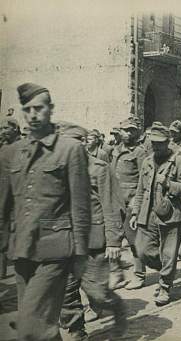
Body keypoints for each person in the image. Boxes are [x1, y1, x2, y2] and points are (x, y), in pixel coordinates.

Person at [0, 83, 91, 341]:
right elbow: (3, 205)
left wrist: (81, 253)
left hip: (56, 251)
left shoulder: (70, 150)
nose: (33, 115)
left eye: (39, 108)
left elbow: (80, 205)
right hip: (21, 249)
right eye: (27, 109)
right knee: (43, 326)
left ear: (50, 110)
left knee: (30, 325)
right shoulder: (9, 153)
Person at [58, 123, 127, 339]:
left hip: (94, 242)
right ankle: (78, 332)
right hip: (66, 240)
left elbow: (111, 205)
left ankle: (117, 308)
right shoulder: (58, 169)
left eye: (75, 143)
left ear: (83, 144)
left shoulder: (99, 168)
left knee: (97, 293)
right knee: (66, 292)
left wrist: (114, 242)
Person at [132, 122, 181, 306]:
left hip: (171, 214)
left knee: (169, 252)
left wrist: (168, 184)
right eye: (153, 142)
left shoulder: (179, 161)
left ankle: (165, 286)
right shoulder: (147, 161)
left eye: (160, 143)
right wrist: (135, 213)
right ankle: (167, 267)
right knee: (142, 250)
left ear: (168, 142)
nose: (156, 146)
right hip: (148, 213)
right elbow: (141, 189)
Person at [110, 118, 148, 290]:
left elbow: (144, 178)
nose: (129, 133)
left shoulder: (140, 152)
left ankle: (139, 274)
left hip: (132, 200)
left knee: (133, 239)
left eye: (132, 130)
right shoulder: (115, 150)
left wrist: (136, 202)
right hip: (116, 199)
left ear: (137, 132)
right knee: (112, 237)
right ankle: (116, 273)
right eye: (126, 130)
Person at [0, 117, 21, 279]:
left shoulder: (13, 149)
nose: (2, 132)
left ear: (15, 129)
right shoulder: (6, 148)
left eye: (5, 129)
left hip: (13, 204)